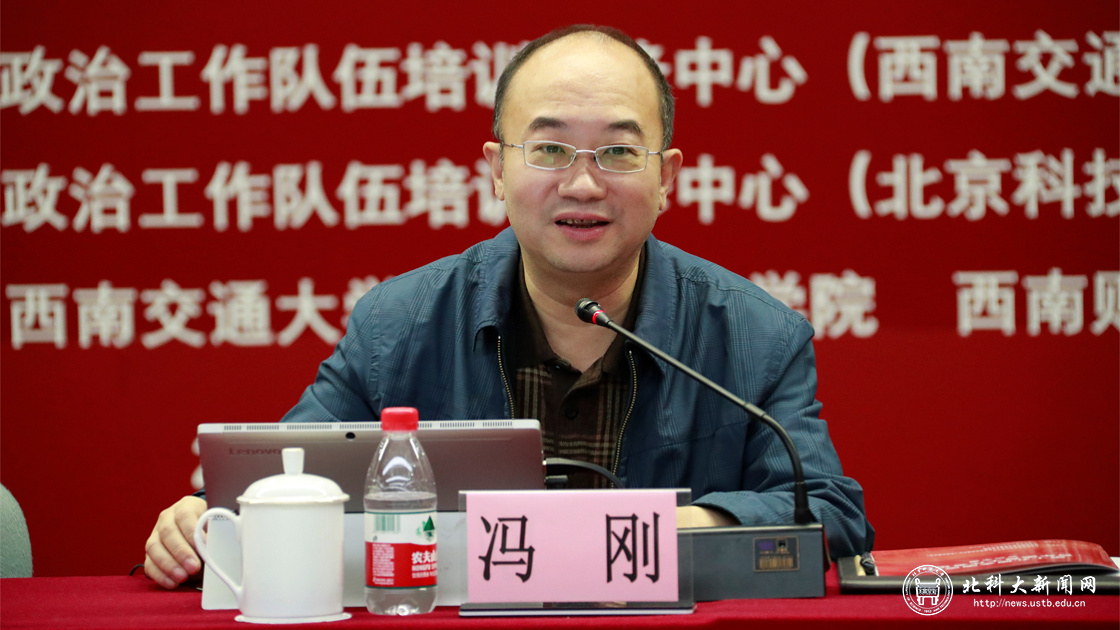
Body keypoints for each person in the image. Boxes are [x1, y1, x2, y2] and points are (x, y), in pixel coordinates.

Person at [145, 24, 874, 590]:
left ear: (666, 178)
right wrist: (206, 518)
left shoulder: (754, 335)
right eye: (549, 150)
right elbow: (285, 479)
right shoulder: (398, 326)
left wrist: (659, 526)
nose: (583, 185)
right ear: (497, 169)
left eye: (619, 153)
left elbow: (830, 513)